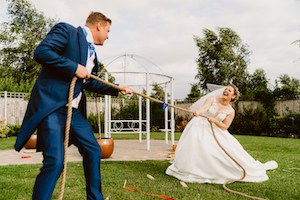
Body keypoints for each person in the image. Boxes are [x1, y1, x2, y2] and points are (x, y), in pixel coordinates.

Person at [14, 12, 133, 200]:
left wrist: (118, 89)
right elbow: (42, 52)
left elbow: (89, 82)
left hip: (73, 112)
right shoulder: (67, 31)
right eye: (108, 31)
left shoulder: (92, 55)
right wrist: (73, 67)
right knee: (55, 162)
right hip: (52, 108)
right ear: (99, 26)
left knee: (93, 150)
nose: (108, 36)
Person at [166, 84, 278, 184]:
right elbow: (204, 108)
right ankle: (191, 168)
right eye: (226, 89)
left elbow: (225, 127)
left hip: (216, 130)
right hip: (200, 126)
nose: (226, 91)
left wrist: (215, 121)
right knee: (197, 147)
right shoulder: (212, 99)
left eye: (229, 91)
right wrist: (198, 112)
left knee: (227, 153)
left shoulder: (230, 111)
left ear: (233, 96)